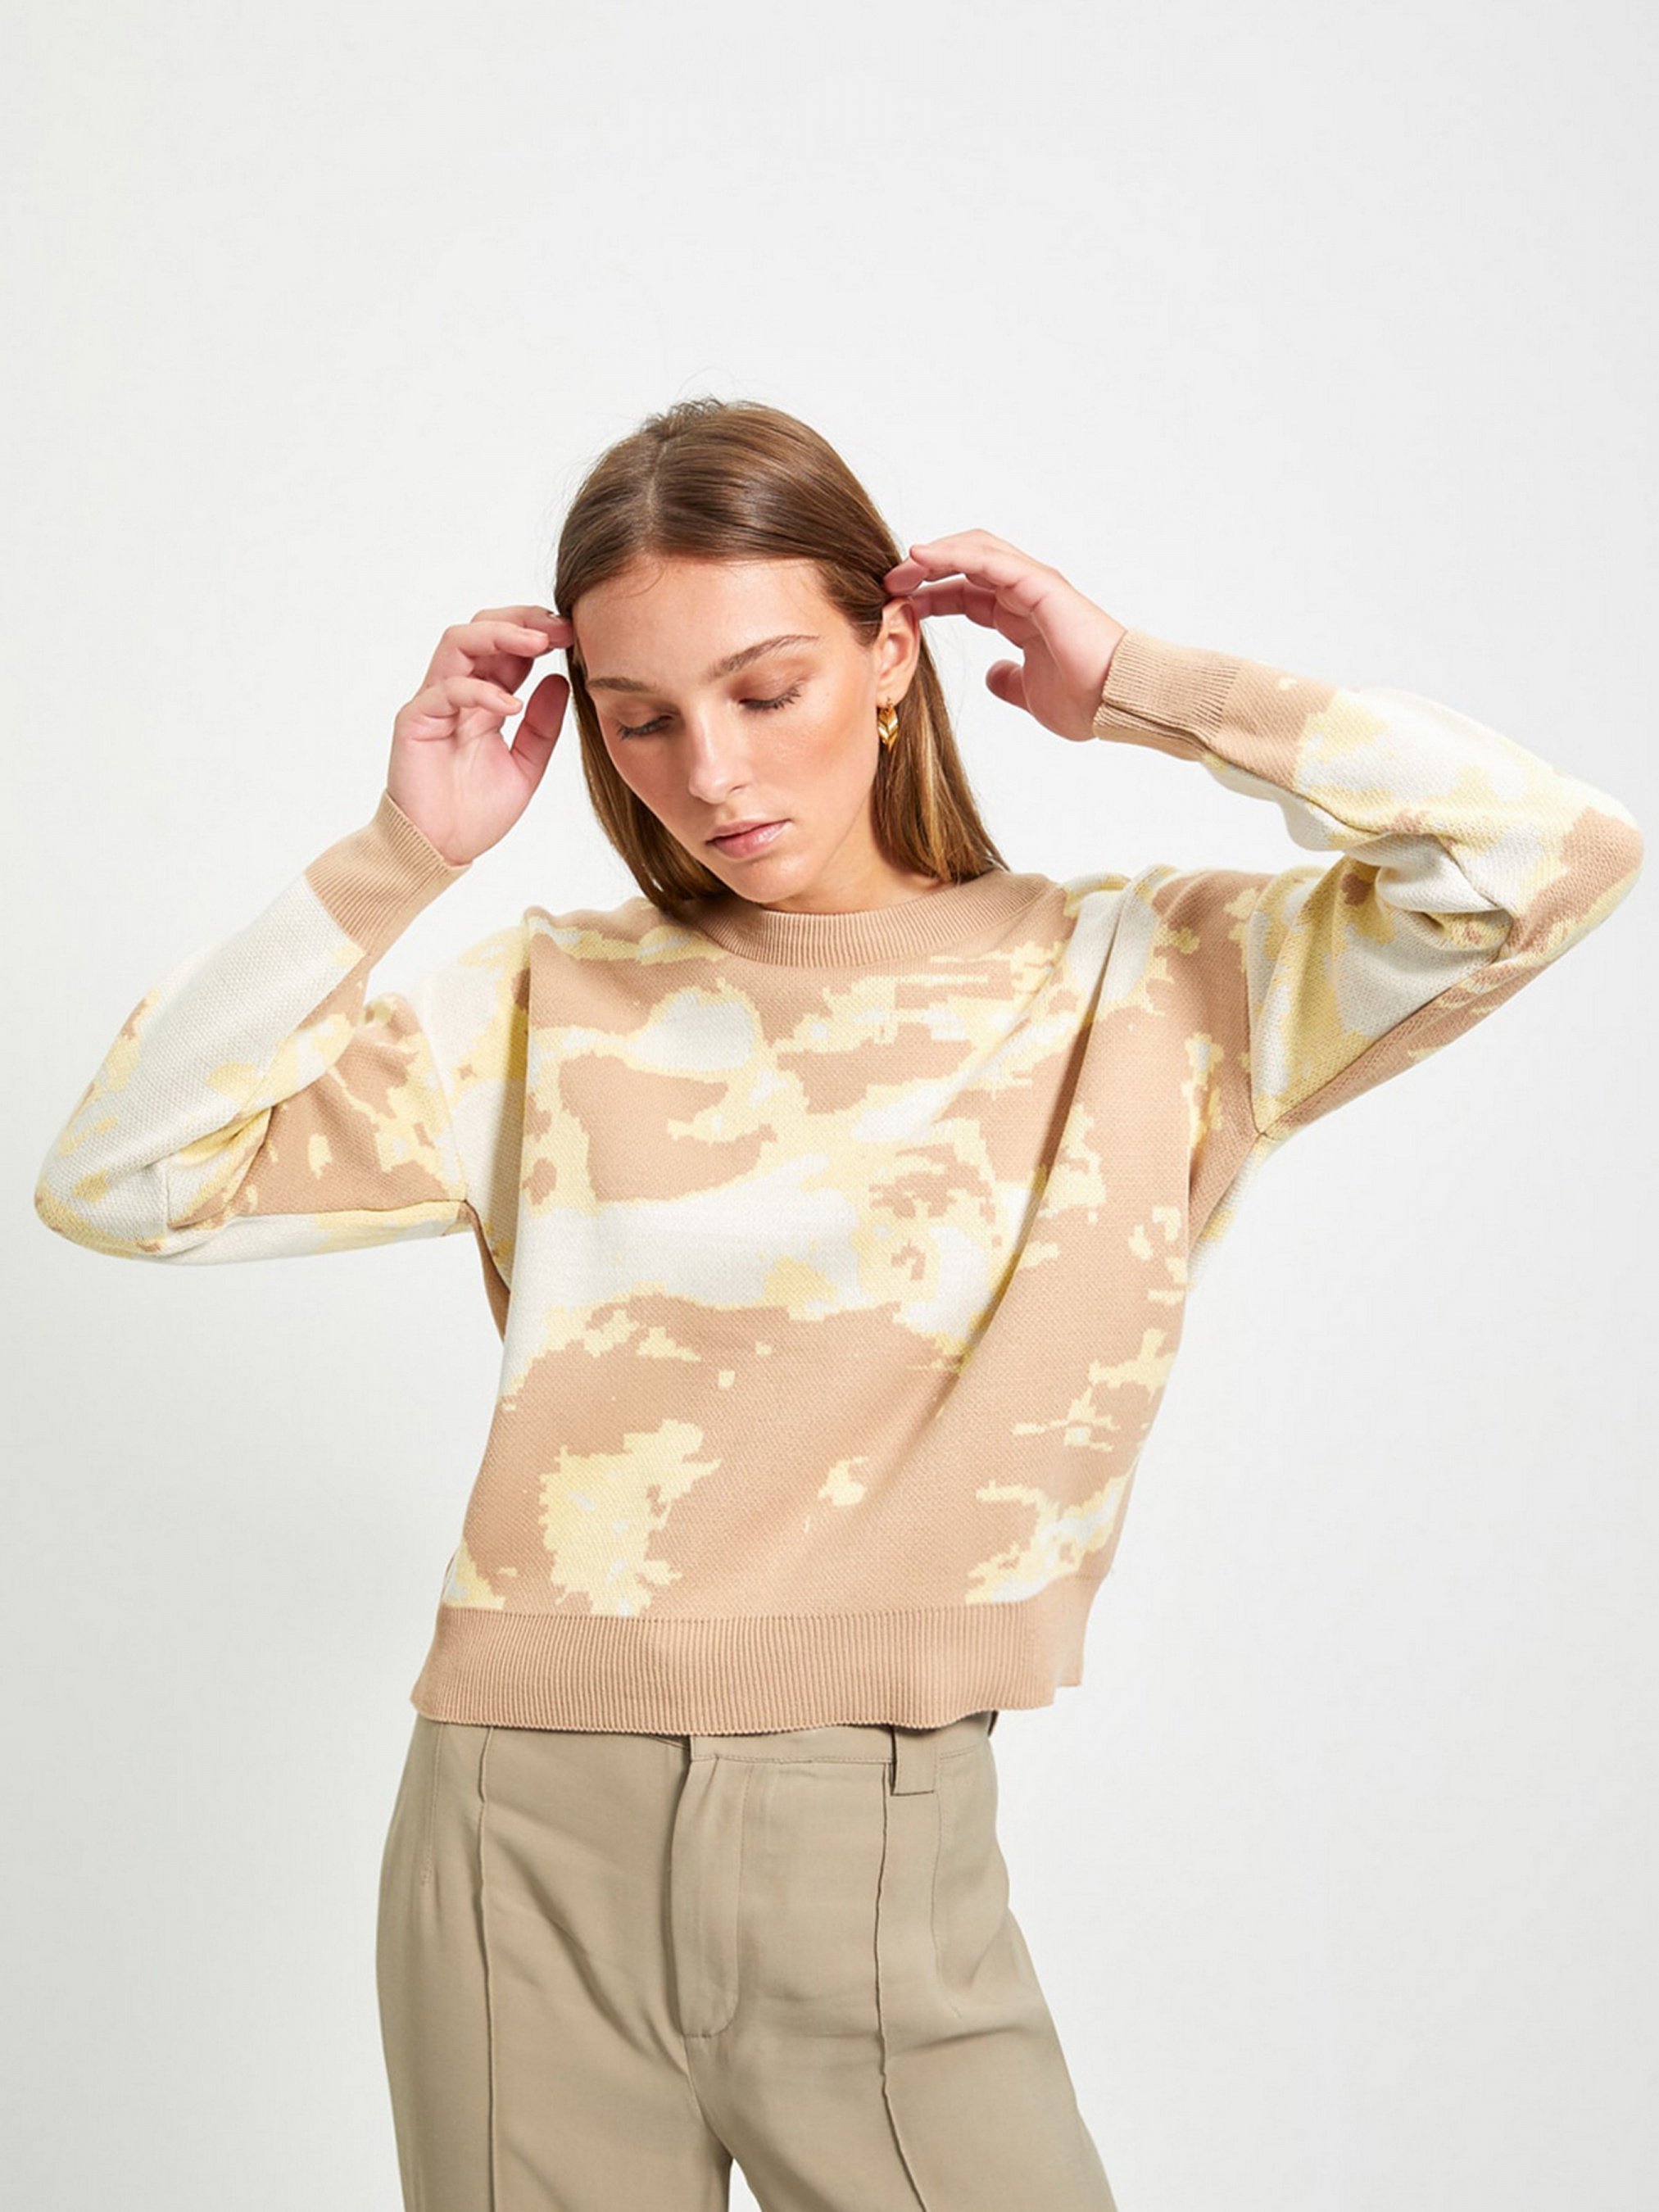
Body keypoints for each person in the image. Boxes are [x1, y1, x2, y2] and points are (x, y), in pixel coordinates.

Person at [34, 397, 1644, 2212]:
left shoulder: (1151, 983)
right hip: (509, 1837)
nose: (710, 770)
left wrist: (1138, 682)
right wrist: (403, 851)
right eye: (639, 719)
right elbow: (121, 1179)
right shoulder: (541, 1000)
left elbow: (1548, 856)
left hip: (874, 1835)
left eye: (766, 688)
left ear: (890, 657)